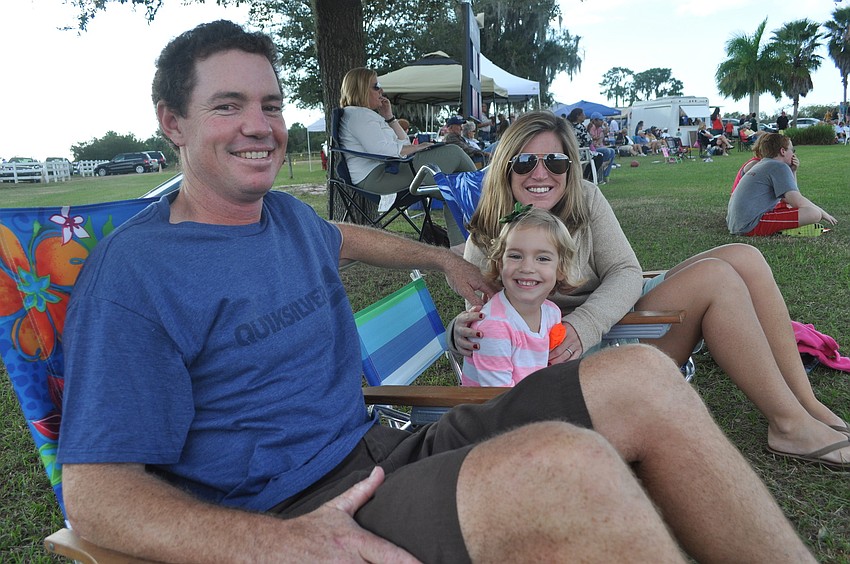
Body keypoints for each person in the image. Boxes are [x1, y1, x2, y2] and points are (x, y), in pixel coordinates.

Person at [55, 22, 820, 563]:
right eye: (228, 106)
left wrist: (442, 261)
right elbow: (94, 499)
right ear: (172, 122)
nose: (261, 126)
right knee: (567, 469)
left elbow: (349, 237)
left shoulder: (282, 217)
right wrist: (278, 547)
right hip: (303, 512)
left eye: (272, 105)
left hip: (387, 443)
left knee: (642, 379)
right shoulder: (137, 275)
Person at [453, 110, 850, 471]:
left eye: (555, 161)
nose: (541, 174)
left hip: (604, 324)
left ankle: (807, 406)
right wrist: (459, 332)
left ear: (570, 166)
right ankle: (789, 426)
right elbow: (482, 324)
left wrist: (586, 323)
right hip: (576, 357)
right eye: (525, 161)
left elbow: (626, 270)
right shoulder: (489, 231)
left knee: (744, 257)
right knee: (716, 278)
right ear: (505, 166)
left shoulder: (585, 198)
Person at [338, 67, 477, 245]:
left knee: (455, 189)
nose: (381, 91)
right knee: (454, 152)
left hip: (390, 171)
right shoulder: (359, 115)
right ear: (361, 88)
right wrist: (418, 149)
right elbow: (384, 151)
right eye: (376, 86)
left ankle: (461, 249)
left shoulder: (366, 115)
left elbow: (403, 144)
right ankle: (485, 191)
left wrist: (389, 117)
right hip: (379, 178)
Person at [462, 207, 584, 387]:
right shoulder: (494, 327)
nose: (527, 267)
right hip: (492, 411)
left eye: (542, 258)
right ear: (500, 263)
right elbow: (501, 400)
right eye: (515, 256)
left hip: (530, 400)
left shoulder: (551, 312)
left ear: (560, 269)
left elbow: (551, 371)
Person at [727, 133, 837, 236]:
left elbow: (792, 196)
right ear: (783, 151)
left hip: (736, 222)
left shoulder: (762, 164)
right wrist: (822, 213)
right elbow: (796, 201)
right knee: (813, 214)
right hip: (748, 225)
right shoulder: (779, 167)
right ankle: (788, 230)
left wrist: (793, 171)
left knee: (801, 210)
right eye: (792, 150)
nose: (793, 154)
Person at [566, 108, 605, 180]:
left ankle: (585, 176)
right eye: (583, 114)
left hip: (571, 152)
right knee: (599, 156)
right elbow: (588, 140)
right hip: (581, 153)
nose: (585, 116)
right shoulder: (580, 126)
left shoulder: (568, 126)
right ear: (578, 116)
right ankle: (589, 177)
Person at [588, 112, 616, 184]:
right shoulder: (591, 127)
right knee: (607, 151)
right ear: (595, 120)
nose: (602, 122)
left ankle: (605, 174)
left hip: (597, 147)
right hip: (591, 149)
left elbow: (600, 140)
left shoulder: (599, 129)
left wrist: (605, 127)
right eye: (600, 120)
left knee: (612, 151)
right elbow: (592, 141)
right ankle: (602, 167)